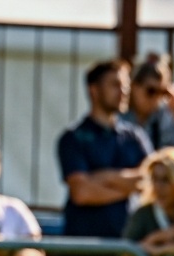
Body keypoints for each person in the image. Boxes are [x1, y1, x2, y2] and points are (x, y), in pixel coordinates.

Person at [57, 59, 150, 238]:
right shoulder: (73, 138)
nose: (123, 91)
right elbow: (82, 193)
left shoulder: (135, 136)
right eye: (115, 85)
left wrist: (102, 177)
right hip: (84, 247)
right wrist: (128, 187)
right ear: (94, 90)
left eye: (125, 86)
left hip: (127, 246)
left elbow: (149, 180)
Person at [124, 55, 174, 152]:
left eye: (163, 93)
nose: (156, 98)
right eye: (151, 91)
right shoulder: (119, 116)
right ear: (134, 87)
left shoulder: (163, 117)